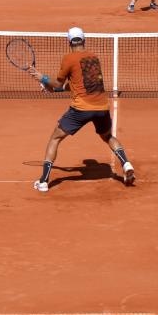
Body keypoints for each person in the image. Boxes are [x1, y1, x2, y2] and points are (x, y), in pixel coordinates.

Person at [31, 27, 135, 192]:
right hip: (102, 107)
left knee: (55, 138)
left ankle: (43, 181)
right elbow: (73, 85)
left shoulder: (68, 59)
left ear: (69, 42)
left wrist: (42, 78)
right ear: (83, 40)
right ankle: (126, 164)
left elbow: (58, 83)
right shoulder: (93, 58)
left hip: (81, 109)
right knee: (108, 136)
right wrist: (51, 87)